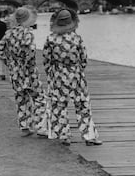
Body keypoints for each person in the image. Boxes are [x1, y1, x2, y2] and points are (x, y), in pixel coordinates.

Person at [43, 9, 102, 146]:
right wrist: (78, 70)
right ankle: (89, 136)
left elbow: (46, 60)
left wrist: (52, 74)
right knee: (83, 105)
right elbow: (84, 59)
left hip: (58, 74)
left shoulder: (51, 39)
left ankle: (64, 135)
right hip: (76, 74)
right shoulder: (77, 38)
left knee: (59, 106)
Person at [0, 6, 47, 137]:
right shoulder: (28, 33)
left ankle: (25, 126)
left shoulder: (9, 33)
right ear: (28, 19)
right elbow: (29, 51)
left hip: (15, 73)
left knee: (21, 99)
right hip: (28, 72)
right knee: (39, 98)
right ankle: (41, 127)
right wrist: (25, 63)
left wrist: (10, 62)